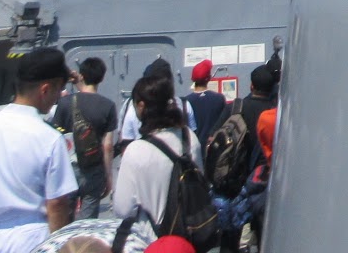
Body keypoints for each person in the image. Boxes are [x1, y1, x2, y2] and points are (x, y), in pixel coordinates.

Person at [0, 48, 79, 253]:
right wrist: (58, 246)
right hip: (30, 238)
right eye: (58, 91)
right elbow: (56, 203)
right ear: (45, 89)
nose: (57, 98)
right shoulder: (49, 137)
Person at [110, 76, 201, 231]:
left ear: (141, 106)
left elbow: (123, 210)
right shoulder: (190, 139)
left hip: (152, 237)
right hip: (189, 234)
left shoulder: (136, 150)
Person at [213, 66, 278, 253]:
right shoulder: (275, 112)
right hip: (263, 183)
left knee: (231, 236)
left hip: (236, 180)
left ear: (251, 86)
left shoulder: (236, 108)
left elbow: (214, 138)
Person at [51, 60, 117, 220]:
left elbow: (55, 138)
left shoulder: (65, 103)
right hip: (94, 170)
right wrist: (108, 176)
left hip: (68, 169)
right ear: (102, 78)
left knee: (64, 220)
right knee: (88, 223)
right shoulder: (108, 106)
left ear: (81, 75)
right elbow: (107, 146)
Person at [181, 63, 226, 140]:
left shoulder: (185, 102)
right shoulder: (219, 98)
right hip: (213, 144)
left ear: (192, 79)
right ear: (209, 78)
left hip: (193, 144)